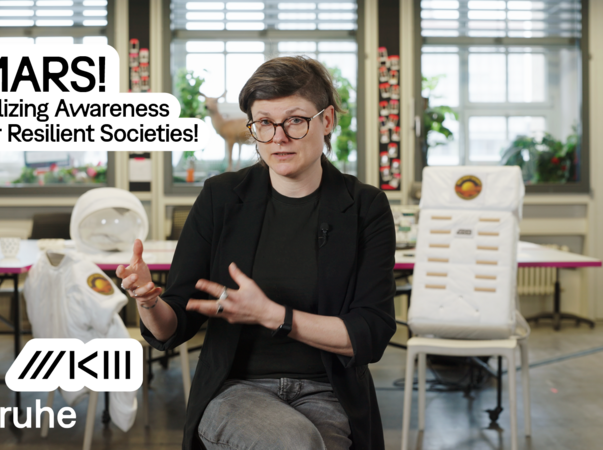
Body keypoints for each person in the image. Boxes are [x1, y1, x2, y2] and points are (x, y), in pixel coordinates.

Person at [117, 56, 396, 450]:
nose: (277, 138)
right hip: (236, 389)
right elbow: (172, 326)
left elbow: (370, 334)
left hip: (329, 392)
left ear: (327, 120)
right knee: (296, 443)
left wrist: (272, 315)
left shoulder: (365, 206)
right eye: (264, 122)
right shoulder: (221, 198)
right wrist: (148, 301)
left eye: (295, 120)